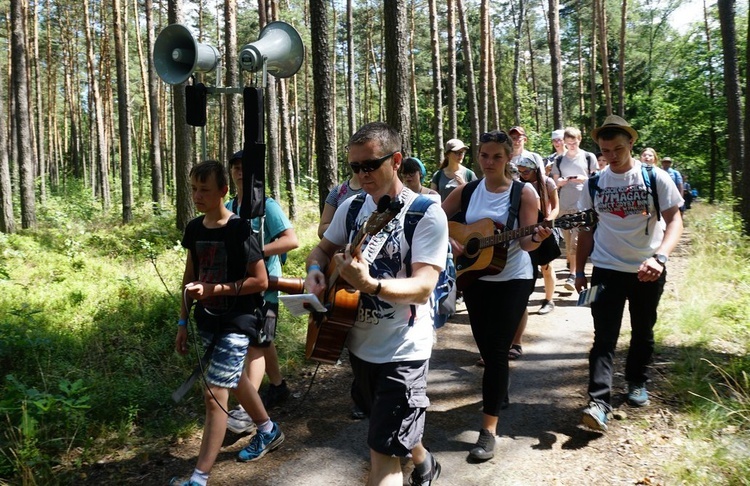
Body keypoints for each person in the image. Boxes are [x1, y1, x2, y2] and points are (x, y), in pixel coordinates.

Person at [305, 122, 447, 485]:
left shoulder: (425, 213)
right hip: (358, 344)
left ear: (396, 160)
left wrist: (371, 284)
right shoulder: (351, 208)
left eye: (369, 165)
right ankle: (425, 460)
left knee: (382, 458)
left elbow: (424, 286)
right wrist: (314, 272)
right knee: (390, 432)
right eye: (354, 167)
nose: (361, 174)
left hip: (403, 350)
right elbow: (321, 249)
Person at [442, 130, 552, 461]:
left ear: (508, 159)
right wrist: (450, 241)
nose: (489, 162)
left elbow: (528, 243)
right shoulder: (469, 189)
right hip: (475, 277)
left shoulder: (525, 193)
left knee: (498, 350)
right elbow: (434, 217)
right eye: (485, 156)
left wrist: (539, 236)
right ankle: (497, 387)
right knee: (487, 348)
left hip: (513, 277)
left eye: (497, 157)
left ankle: (488, 431)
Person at [171, 160, 283, 486]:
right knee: (234, 380)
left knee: (214, 393)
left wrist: (215, 289)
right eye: (193, 188)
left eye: (204, 189)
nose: (197, 195)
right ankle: (268, 429)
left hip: (239, 320)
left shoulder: (240, 229)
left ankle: (198, 477)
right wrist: (182, 320)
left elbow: (260, 280)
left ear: (223, 190)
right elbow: (190, 277)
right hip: (207, 320)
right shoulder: (194, 229)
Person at [575, 115, 683, 432]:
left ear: (631, 143)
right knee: (603, 338)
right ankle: (598, 403)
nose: (612, 156)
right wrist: (579, 271)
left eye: (618, 148)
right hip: (605, 271)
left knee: (643, 331)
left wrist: (660, 258)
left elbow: (675, 221)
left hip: (647, 271)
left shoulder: (655, 177)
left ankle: (637, 380)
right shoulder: (594, 183)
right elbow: (586, 230)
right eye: (606, 150)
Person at [224, 151, 299, 435]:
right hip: (241, 287)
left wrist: (256, 253)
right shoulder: (230, 206)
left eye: (246, 168)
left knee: (255, 344)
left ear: (257, 173)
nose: (240, 172)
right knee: (263, 339)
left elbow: (291, 240)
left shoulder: (268, 206)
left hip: (267, 287)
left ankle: (246, 411)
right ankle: (278, 387)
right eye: (236, 168)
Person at [550, 127, 598, 291]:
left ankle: (574, 275)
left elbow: (596, 180)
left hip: (583, 204)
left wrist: (584, 179)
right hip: (564, 204)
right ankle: (574, 270)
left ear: (580, 140)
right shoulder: (559, 160)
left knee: (577, 242)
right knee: (569, 241)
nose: (571, 145)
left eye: (574, 142)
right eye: (568, 142)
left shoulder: (588, 157)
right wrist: (562, 181)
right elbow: (554, 183)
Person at [516, 154, 559, 316]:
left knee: (546, 266)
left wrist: (549, 220)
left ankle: (549, 300)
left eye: (526, 171)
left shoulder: (548, 182)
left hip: (544, 227)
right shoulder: (519, 185)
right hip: (527, 228)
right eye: (520, 171)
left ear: (535, 169)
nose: (523, 174)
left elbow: (556, 207)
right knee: (527, 264)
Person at [430, 138, 477, 203]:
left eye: (462, 152)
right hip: (443, 213)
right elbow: (432, 200)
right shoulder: (438, 175)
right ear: (447, 154)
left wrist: (463, 185)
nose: (461, 155)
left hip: (464, 213)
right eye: (457, 152)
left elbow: (476, 198)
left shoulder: (469, 175)